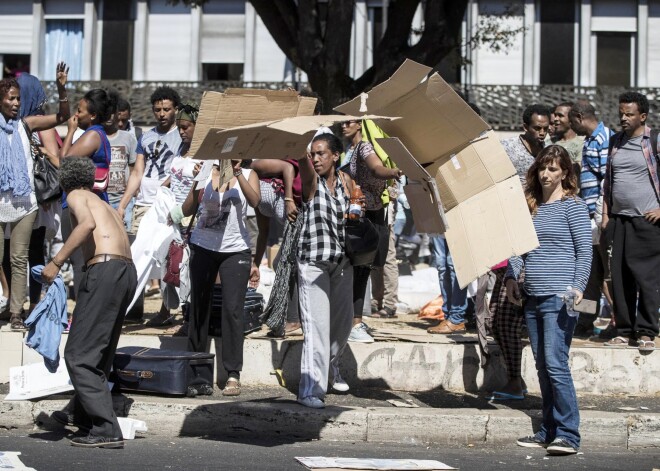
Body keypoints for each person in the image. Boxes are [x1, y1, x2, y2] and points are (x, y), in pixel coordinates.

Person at [44, 157, 136, 449]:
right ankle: (82, 414)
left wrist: (56, 263)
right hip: (125, 271)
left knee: (78, 354)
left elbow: (86, 226)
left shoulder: (75, 196)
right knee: (100, 353)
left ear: (65, 181)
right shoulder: (103, 201)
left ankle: (106, 428)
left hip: (106, 270)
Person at [507, 145, 591, 456]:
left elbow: (585, 252)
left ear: (565, 173)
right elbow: (517, 249)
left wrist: (578, 287)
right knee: (543, 366)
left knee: (556, 364)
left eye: (553, 169)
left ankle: (569, 434)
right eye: (543, 168)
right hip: (533, 296)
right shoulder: (530, 207)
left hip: (561, 297)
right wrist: (512, 277)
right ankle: (549, 430)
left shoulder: (574, 207)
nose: (546, 174)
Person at [181, 159, 260, 397]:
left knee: (233, 310)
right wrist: (196, 182)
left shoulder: (248, 172)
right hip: (203, 246)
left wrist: (238, 174)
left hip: (235, 249)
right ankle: (197, 374)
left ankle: (233, 373)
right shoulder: (205, 171)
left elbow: (256, 202)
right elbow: (187, 210)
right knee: (199, 309)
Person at [0, 63, 69, 329]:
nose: (17, 103)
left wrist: (62, 88)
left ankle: (17, 314)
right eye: (11, 99)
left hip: (24, 202)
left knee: (19, 259)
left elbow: (62, 117)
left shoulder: (26, 124)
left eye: (19, 98)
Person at [489, 104, 550, 399]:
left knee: (511, 314)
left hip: (537, 240)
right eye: (537, 128)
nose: (542, 133)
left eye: (546, 128)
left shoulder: (549, 157)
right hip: (508, 234)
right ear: (524, 126)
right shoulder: (506, 148)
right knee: (498, 316)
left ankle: (519, 381)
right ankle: (516, 379)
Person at [296, 133, 356, 408]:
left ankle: (331, 369)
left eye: (321, 153)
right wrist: (301, 138)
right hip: (314, 264)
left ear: (336, 156)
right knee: (317, 328)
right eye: (313, 154)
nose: (316, 159)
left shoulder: (346, 184)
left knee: (342, 326)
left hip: (342, 263)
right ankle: (310, 389)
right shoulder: (312, 182)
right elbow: (302, 160)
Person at [601, 92, 660, 352]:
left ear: (643, 116)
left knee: (646, 277)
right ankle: (624, 329)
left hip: (646, 221)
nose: (623, 118)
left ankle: (647, 331)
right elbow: (608, 181)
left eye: (629, 114)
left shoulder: (654, 141)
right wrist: (605, 214)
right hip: (619, 220)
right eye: (621, 113)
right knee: (621, 277)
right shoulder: (616, 141)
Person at [341, 119, 403, 343]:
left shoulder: (364, 147)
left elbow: (377, 168)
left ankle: (355, 322)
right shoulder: (350, 149)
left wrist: (394, 172)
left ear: (360, 125)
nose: (343, 125)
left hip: (368, 217)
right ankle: (351, 320)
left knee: (360, 271)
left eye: (349, 122)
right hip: (361, 215)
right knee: (356, 271)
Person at [119, 87, 181, 301]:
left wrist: (164, 190)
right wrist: (123, 204)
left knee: (166, 257)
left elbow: (181, 169)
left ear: (175, 109)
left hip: (166, 205)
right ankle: (133, 305)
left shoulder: (181, 136)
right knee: (136, 254)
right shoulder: (145, 137)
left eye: (166, 109)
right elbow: (137, 172)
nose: (162, 113)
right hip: (143, 203)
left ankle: (167, 308)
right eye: (157, 110)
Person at [59, 88, 116, 299]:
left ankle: (83, 310)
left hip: (80, 206)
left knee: (79, 261)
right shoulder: (100, 134)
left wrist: (71, 130)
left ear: (92, 115)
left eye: (80, 110)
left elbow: (65, 162)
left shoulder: (93, 135)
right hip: (94, 203)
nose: (76, 115)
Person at [154, 103, 202, 333]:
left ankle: (190, 321)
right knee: (175, 266)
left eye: (186, 127)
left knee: (189, 270)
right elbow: (173, 178)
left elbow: (199, 189)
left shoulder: (203, 154)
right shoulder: (180, 151)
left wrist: (180, 213)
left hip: (192, 219)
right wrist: (160, 194)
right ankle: (182, 315)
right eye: (180, 128)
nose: (182, 132)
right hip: (175, 219)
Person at [569, 102, 613, 337]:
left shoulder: (604, 138)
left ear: (578, 117)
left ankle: (617, 319)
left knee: (607, 274)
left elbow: (608, 180)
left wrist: (602, 215)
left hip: (598, 217)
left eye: (571, 122)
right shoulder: (589, 140)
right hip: (587, 217)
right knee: (588, 274)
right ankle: (584, 320)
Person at [105, 103, 137, 230]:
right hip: (101, 200)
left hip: (124, 201)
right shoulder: (95, 137)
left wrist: (130, 195)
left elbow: (133, 168)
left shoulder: (128, 138)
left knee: (126, 241)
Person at [553, 103, 584, 168]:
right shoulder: (549, 141)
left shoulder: (581, 143)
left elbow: (578, 168)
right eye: (555, 115)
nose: (555, 119)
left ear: (571, 119)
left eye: (560, 115)